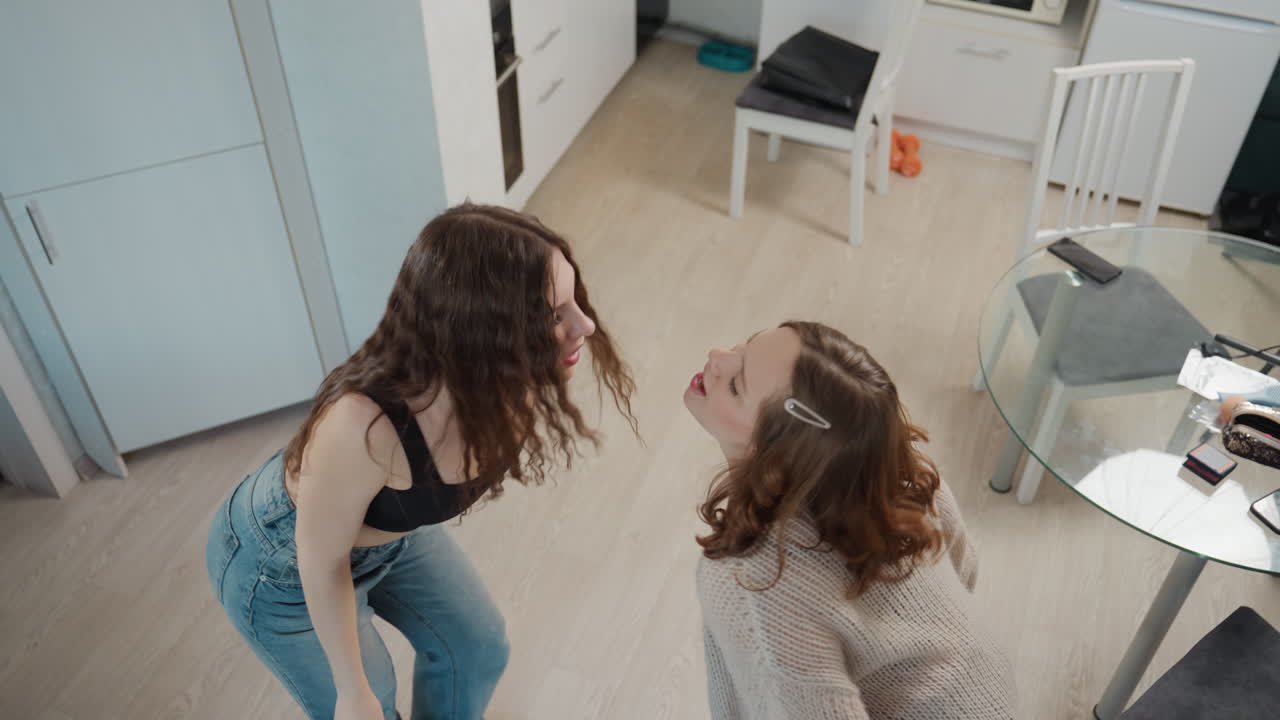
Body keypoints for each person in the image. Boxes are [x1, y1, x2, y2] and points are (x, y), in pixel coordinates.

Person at [206, 204, 636, 720]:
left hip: (385, 533)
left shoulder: (506, 379)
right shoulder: (360, 426)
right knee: (373, 701)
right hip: (283, 564)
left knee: (476, 647)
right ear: (481, 330)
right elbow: (319, 561)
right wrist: (352, 692)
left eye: (574, 302)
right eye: (553, 314)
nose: (584, 324)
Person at [683, 321, 1014, 719]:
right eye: (747, 341)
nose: (718, 356)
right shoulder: (902, 476)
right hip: (991, 692)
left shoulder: (755, 581)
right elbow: (964, 572)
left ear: (777, 452)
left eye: (737, 386)